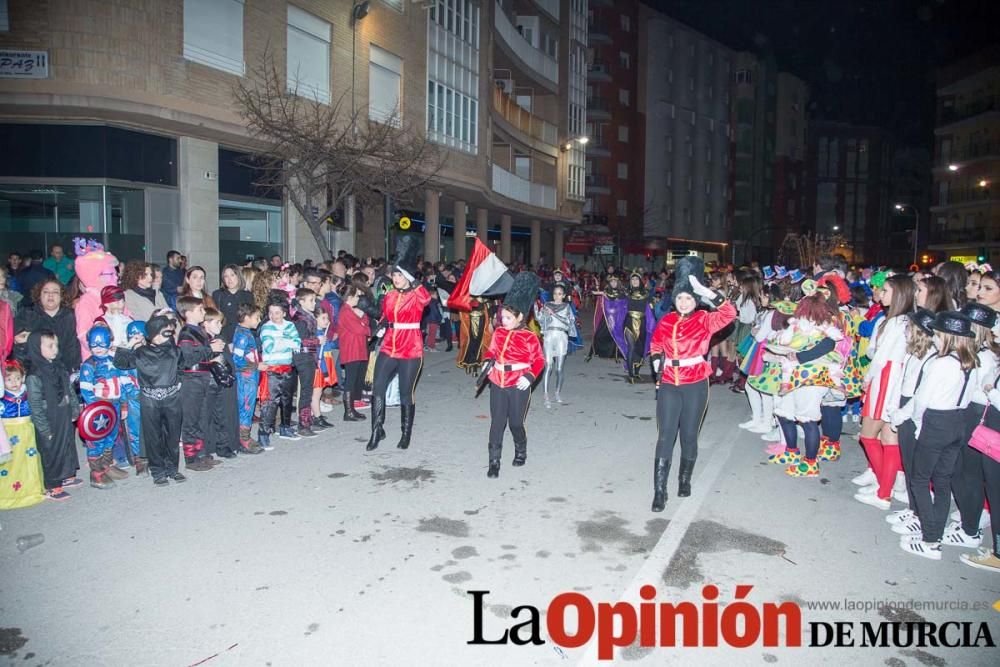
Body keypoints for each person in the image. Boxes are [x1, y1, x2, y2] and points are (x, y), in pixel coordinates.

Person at [647, 257, 736, 512]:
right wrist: (656, 362)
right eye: (679, 298)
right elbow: (656, 344)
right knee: (665, 436)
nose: (683, 302)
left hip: (695, 383)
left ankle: (684, 479)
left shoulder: (705, 320)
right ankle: (659, 491)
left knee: (688, 435)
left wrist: (708, 292)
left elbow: (730, 313)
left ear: (695, 300)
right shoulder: (666, 321)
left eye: (688, 298)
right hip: (668, 383)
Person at [896, 311, 979, 560]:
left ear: (947, 336)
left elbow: (922, 399)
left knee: (920, 480)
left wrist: (919, 424)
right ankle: (935, 532)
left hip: (936, 421)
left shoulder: (941, 363)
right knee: (942, 481)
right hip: (958, 421)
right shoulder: (971, 363)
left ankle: (930, 540)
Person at [113, 315, 212, 485]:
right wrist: (130, 344)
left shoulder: (174, 352)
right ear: (155, 335)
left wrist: (209, 349)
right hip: (150, 400)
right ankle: (158, 472)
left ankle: (172, 469)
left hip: (172, 398)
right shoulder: (141, 353)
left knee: (172, 436)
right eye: (165, 333)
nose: (170, 336)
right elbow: (120, 362)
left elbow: (188, 360)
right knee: (153, 437)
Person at [366, 236, 430, 452]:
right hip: (389, 345)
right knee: (378, 388)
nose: (395, 277)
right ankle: (376, 430)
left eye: (399, 274)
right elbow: (385, 316)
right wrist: (377, 326)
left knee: (405, 392)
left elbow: (426, 299)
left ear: (408, 276)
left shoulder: (417, 294)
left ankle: (405, 433)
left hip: (411, 348)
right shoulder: (390, 296)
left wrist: (413, 280)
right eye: (393, 273)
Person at [856, 275, 914, 500]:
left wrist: (868, 379)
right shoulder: (904, 320)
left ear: (899, 294)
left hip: (886, 379)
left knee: (868, 436)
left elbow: (880, 358)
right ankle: (885, 490)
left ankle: (884, 488)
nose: (881, 294)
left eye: (886, 290)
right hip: (896, 379)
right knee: (889, 440)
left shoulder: (896, 322)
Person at [481, 273, 544, 478]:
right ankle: (494, 461)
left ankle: (521, 449)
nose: (503, 320)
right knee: (497, 422)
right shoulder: (498, 333)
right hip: (497, 381)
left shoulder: (529, 337)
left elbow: (539, 361)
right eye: (502, 317)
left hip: (519, 383)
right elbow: (491, 351)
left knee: (516, 423)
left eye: (508, 318)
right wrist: (487, 363)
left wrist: (530, 377)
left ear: (519, 317)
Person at [26, 330, 81, 500]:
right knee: (51, 450)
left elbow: (69, 390)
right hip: (49, 418)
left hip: (63, 413)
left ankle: (65, 475)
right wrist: (44, 428)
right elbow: (35, 405)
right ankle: (52, 485)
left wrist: (74, 409)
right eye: (49, 346)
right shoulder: (35, 375)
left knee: (66, 445)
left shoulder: (58, 367)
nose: (54, 349)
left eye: (55, 345)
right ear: (37, 348)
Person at [78, 326, 133, 488]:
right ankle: (96, 474)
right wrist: (96, 408)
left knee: (112, 437)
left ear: (109, 343)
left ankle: (106, 466)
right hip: (98, 409)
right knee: (97, 441)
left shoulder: (114, 360)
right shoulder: (89, 365)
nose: (98, 349)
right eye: (94, 346)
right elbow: (86, 390)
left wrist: (123, 404)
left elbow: (122, 383)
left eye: (102, 345)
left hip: (114, 406)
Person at [176, 296, 226, 471]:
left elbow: (204, 354)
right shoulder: (186, 333)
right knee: (191, 419)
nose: (204, 312)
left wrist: (214, 349)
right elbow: (188, 358)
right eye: (200, 310)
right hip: (191, 379)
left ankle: (202, 453)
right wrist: (209, 349)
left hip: (203, 377)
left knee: (201, 417)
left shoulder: (200, 331)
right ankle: (191, 458)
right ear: (188, 313)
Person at [13, 279, 81, 374]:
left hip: (66, 373)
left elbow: (74, 348)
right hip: (34, 374)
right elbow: (19, 344)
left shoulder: (72, 317)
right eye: (46, 291)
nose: (50, 295)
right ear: (39, 295)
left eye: (55, 292)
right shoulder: (26, 315)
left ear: (62, 296)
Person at [258, 300, 302, 446]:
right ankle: (263, 433)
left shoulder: (290, 325)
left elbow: (297, 343)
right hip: (273, 370)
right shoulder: (266, 327)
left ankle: (285, 427)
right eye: (270, 313)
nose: (273, 316)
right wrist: (285, 341)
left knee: (287, 400)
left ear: (284, 313)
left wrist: (280, 340)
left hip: (287, 367)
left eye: (277, 312)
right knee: (270, 402)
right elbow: (269, 346)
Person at [202, 308, 240, 459]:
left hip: (221, 382)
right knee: (208, 416)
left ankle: (223, 446)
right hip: (207, 383)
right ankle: (208, 448)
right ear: (206, 323)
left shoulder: (220, 337)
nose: (220, 325)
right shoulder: (202, 340)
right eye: (216, 322)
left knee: (223, 414)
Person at [535, 283, 579, 407]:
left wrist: (554, 314)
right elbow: (539, 319)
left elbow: (569, 323)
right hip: (549, 337)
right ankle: (545, 395)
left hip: (561, 337)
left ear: (564, 295)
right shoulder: (547, 305)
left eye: (560, 294)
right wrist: (536, 307)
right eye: (555, 293)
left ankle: (557, 393)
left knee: (559, 369)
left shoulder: (566, 307)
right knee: (548, 366)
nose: (557, 296)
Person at [230, 303, 265, 454]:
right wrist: (256, 366)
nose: (259, 320)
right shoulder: (242, 336)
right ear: (246, 318)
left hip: (251, 377)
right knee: (246, 407)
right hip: (246, 378)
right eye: (256, 317)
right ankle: (243, 439)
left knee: (249, 406)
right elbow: (237, 359)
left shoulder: (246, 332)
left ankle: (245, 437)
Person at [291, 288, 320, 437]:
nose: (314, 303)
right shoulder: (299, 319)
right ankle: (303, 424)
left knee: (308, 389)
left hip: (309, 356)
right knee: (306, 390)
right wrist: (317, 340)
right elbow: (299, 340)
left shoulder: (307, 316)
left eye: (314, 300)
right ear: (301, 302)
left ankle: (307, 419)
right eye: (311, 300)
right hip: (303, 357)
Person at [212, 264, 254, 343]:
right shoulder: (218, 295)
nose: (229, 279)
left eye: (232, 275)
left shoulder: (247, 296)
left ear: (238, 276)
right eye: (226, 276)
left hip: (243, 338)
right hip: (223, 338)